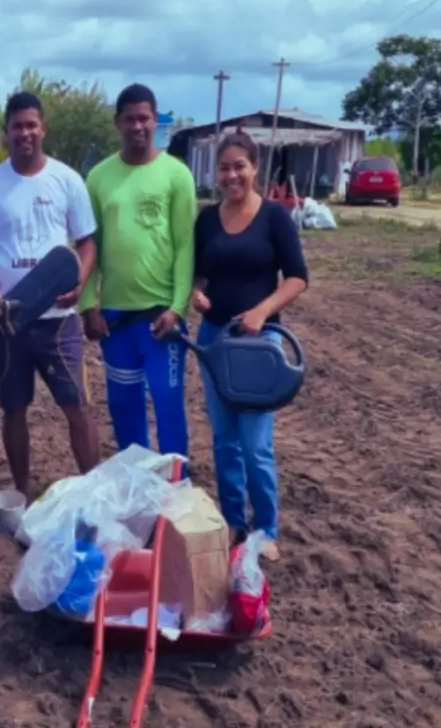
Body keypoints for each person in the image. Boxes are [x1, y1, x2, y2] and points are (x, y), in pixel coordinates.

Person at [0, 91, 100, 499]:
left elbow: (88, 241)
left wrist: (79, 281)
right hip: (8, 320)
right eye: (16, 126)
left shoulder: (67, 180)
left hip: (60, 320)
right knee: (14, 408)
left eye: (31, 125)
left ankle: (94, 491)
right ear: (6, 131)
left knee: (76, 405)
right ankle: (22, 490)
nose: (24, 133)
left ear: (43, 127)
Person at [191, 131, 308, 562]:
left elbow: (297, 277)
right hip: (215, 340)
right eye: (224, 167)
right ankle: (235, 523)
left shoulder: (275, 217)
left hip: (260, 344)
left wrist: (261, 312)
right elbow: (200, 275)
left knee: (255, 442)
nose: (232, 174)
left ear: (255, 168)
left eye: (240, 165)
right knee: (224, 440)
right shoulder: (206, 220)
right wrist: (196, 295)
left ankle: (268, 528)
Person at [78, 83, 197, 466]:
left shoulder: (176, 175)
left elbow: (185, 246)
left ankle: (177, 488)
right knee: (125, 407)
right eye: (129, 119)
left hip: (162, 316)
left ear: (156, 121)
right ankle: (136, 487)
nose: (137, 126)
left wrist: (178, 308)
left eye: (145, 118)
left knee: (167, 402)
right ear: (117, 123)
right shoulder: (98, 178)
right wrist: (86, 305)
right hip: (116, 318)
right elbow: (88, 244)